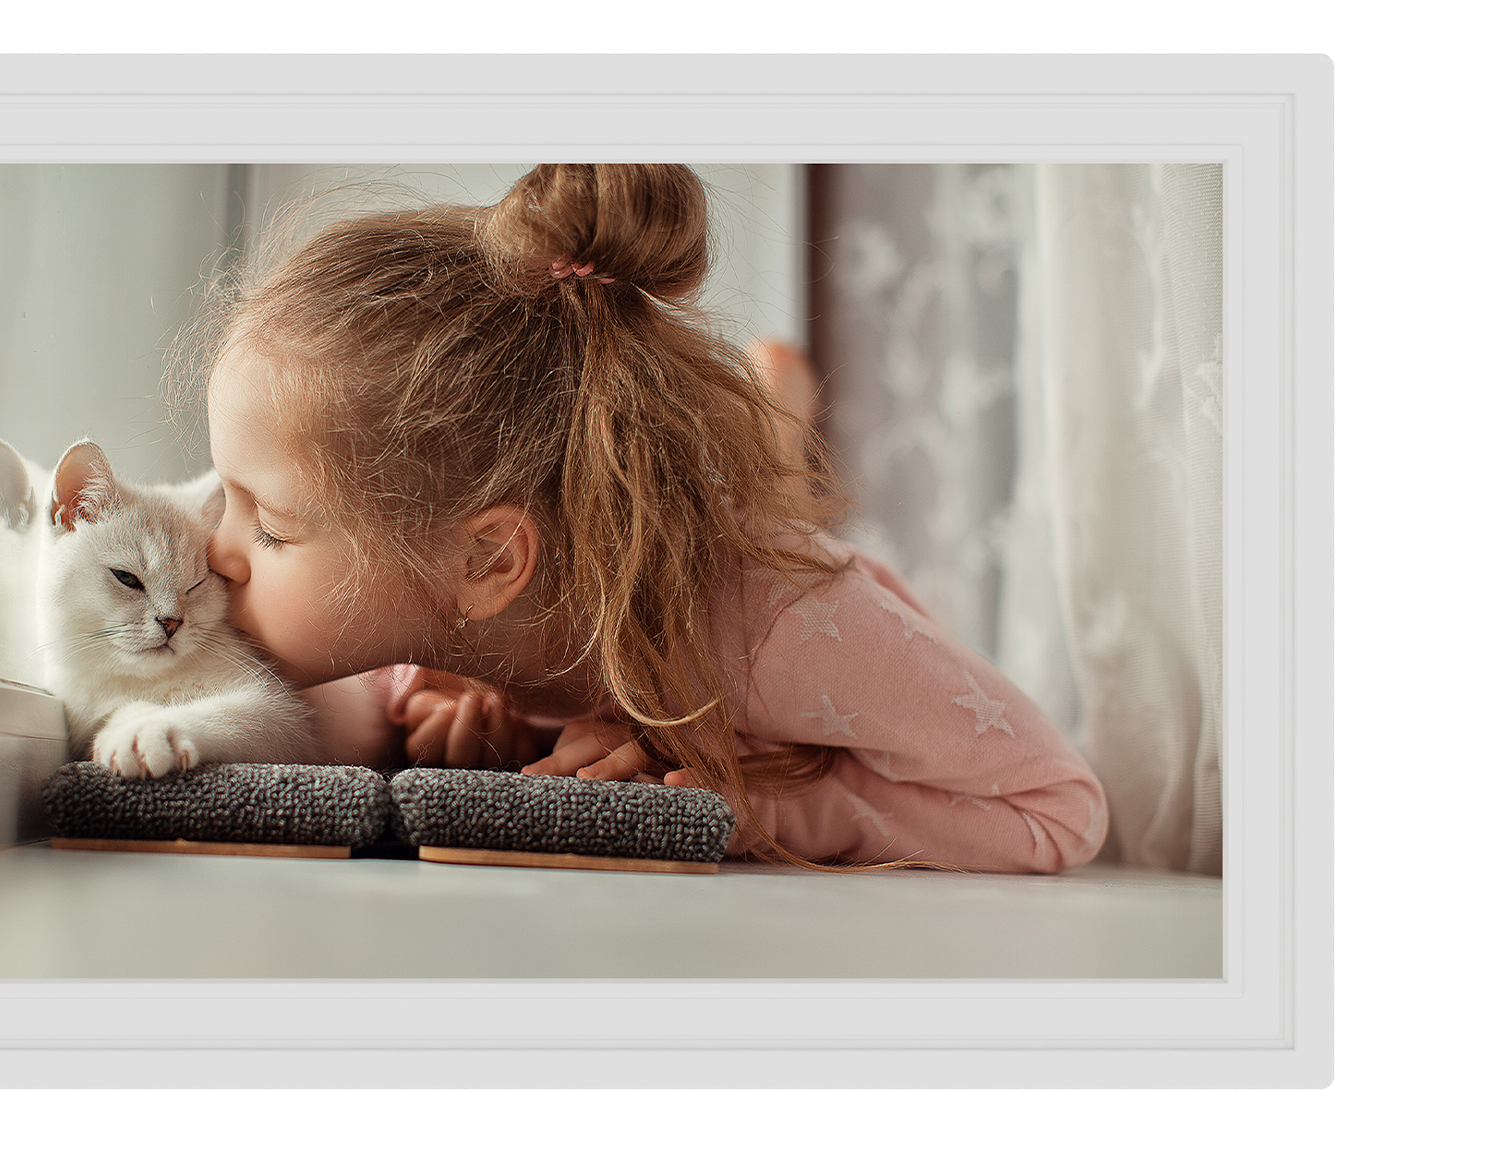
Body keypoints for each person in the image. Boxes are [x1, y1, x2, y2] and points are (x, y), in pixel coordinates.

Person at [200, 164, 1107, 871]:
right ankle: (763, 432)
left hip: (771, 611)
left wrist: (736, 796)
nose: (217, 552)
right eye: (222, 499)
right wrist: (473, 704)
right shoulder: (432, 589)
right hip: (596, 582)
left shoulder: (781, 627)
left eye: (269, 527)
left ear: (486, 562)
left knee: (766, 525)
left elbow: (1057, 807)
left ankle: (770, 431)